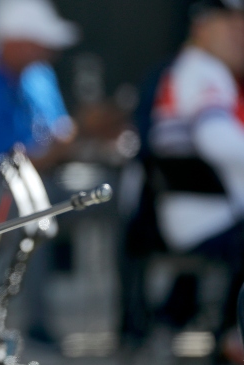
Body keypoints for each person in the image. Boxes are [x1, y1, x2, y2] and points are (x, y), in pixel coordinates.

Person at [122, 0, 244, 356]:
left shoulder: (202, 70)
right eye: (230, 25)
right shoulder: (202, 70)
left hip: (204, 215)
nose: (239, 35)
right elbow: (216, 140)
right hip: (204, 217)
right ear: (202, 27)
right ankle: (232, 337)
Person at [0, 0, 78, 345]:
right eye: (39, 43)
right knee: (27, 208)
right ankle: (9, 320)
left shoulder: (40, 77)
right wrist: (57, 149)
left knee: (110, 194)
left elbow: (60, 132)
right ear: (15, 43)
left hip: (41, 181)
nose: (49, 51)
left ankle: (135, 321)